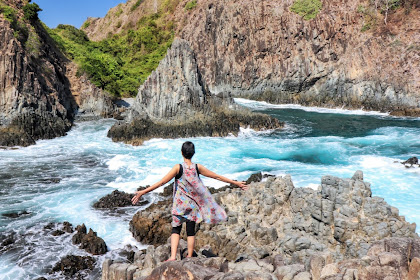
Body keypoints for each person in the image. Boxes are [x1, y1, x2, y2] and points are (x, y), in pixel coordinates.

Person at [131, 141, 248, 261]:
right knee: (190, 231)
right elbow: (216, 176)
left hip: (179, 206)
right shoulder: (197, 167)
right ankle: (190, 255)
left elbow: (161, 182)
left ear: (181, 152)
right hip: (192, 206)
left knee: (175, 230)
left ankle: (172, 257)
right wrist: (236, 183)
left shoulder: (178, 168)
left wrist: (143, 192)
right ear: (193, 153)